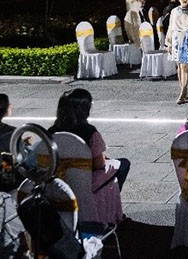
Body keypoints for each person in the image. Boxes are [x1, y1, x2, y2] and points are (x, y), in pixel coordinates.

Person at [47, 88, 129, 224]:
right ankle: (106, 208)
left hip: (59, 181)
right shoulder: (89, 132)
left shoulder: (51, 132)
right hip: (85, 181)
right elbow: (99, 165)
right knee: (124, 164)